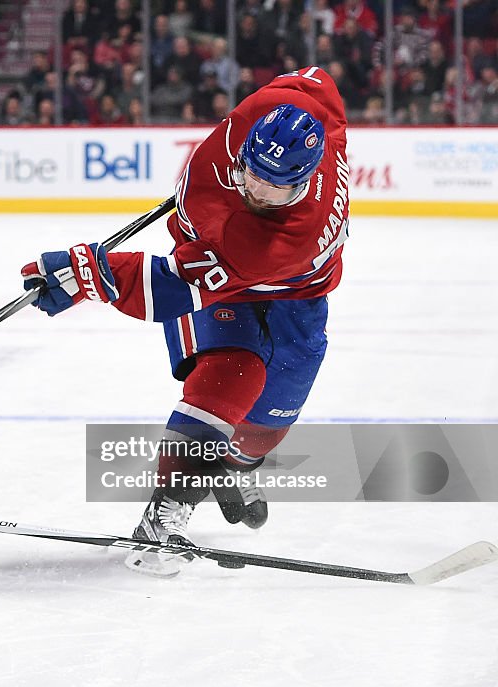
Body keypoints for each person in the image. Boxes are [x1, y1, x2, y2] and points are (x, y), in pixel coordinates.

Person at [20, 66, 348, 577]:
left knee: (266, 427)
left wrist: (88, 272)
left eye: (274, 190)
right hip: (215, 278)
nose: (256, 194)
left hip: (297, 296)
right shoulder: (298, 109)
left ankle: (234, 464)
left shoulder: (284, 238)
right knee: (234, 372)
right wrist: (94, 275)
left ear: (303, 182)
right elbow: (315, 77)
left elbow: (167, 290)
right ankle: (163, 515)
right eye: (251, 176)